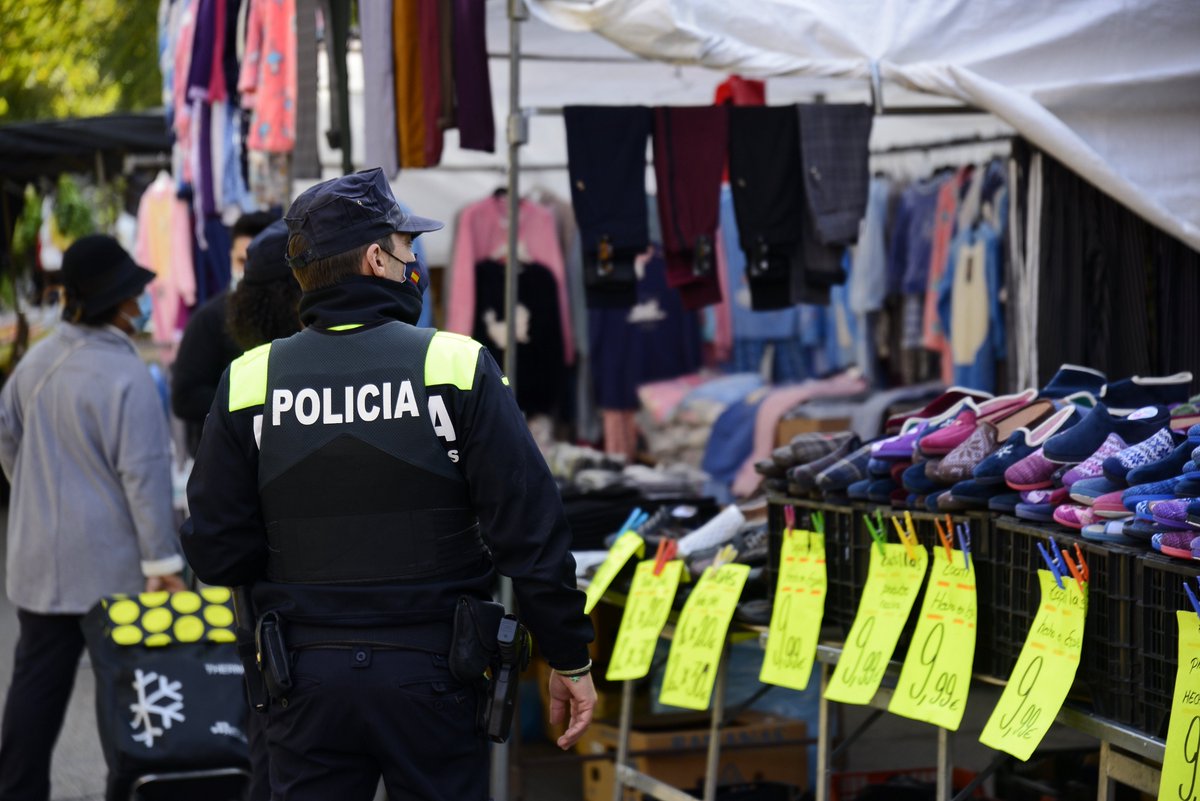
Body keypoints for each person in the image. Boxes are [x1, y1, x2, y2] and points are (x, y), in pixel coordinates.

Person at [180, 168, 595, 800]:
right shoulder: (454, 364)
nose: (415, 263)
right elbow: (530, 532)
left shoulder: (249, 379)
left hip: (301, 678)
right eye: (407, 248)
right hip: (435, 677)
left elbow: (214, 548)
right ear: (376, 258)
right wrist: (569, 656)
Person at [0, 235, 186, 800]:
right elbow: (145, 476)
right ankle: (129, 789)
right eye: (136, 295)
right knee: (126, 696)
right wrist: (162, 562)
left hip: (37, 565)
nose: (142, 303)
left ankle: (16, 791)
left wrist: (35, 492)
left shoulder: (36, 362)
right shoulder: (124, 375)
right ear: (120, 303)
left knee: (34, 691)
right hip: (109, 571)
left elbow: (7, 439)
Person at [222, 219, 301, 801]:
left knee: (273, 765)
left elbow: (215, 538)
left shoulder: (243, 379)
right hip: (373, 630)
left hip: (269, 625)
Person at [172, 211, 275, 454]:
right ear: (230, 257)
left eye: (256, 262)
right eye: (241, 261)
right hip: (224, 457)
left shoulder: (292, 315)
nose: (248, 271)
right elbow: (185, 397)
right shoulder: (208, 320)